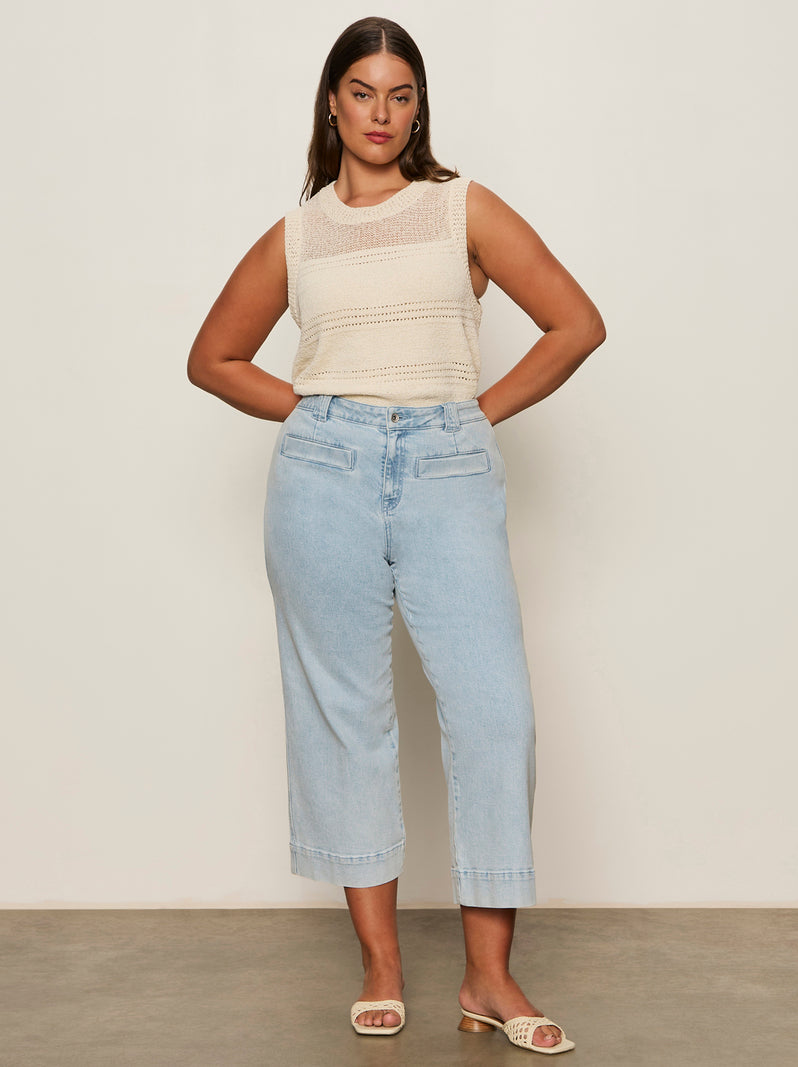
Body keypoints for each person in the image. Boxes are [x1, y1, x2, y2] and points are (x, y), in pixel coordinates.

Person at [188, 15, 604, 1055]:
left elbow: (576, 323)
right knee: (347, 717)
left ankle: (488, 974)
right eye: (363, 91)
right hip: (320, 475)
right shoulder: (297, 234)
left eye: (401, 94)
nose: (381, 113)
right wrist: (321, 415)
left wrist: (472, 414)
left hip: (447, 467)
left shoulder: (461, 207)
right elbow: (214, 357)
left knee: (495, 711)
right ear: (332, 103)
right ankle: (380, 963)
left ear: (419, 109)